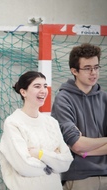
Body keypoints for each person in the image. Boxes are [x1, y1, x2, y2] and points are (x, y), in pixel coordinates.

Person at [0, 71, 73, 190]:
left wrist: (39, 154)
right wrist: (54, 160)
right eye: (37, 86)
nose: (43, 90)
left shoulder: (52, 123)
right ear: (23, 92)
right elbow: (24, 166)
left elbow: (66, 162)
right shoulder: (13, 122)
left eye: (45, 86)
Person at [51, 43, 107, 190]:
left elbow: (82, 148)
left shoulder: (104, 98)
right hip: (79, 177)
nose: (93, 72)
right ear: (74, 71)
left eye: (96, 67)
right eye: (87, 68)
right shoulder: (63, 99)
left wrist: (86, 151)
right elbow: (77, 144)